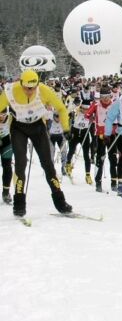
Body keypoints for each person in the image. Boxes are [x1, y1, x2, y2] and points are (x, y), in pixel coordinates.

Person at [0, 70, 72, 217]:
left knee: (48, 165)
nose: (29, 91)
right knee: (20, 164)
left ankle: (60, 202)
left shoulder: (44, 90)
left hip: (38, 127)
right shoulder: (10, 91)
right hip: (18, 128)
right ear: (21, 83)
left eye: (33, 88)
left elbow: (61, 108)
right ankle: (19, 204)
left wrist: (66, 128)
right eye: (26, 88)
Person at [64, 99, 94, 183]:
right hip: (75, 132)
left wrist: (93, 118)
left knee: (86, 155)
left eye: (87, 109)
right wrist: (75, 104)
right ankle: (68, 164)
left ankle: (88, 175)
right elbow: (68, 110)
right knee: (71, 150)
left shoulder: (90, 113)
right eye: (83, 108)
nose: (85, 111)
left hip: (84, 133)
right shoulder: (76, 111)